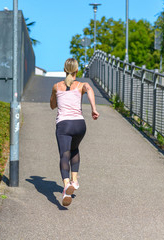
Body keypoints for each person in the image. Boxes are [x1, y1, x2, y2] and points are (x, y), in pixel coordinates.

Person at [50, 58, 99, 206]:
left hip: (64, 125)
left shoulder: (56, 86)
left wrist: (57, 98)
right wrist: (94, 109)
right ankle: (75, 181)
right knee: (74, 149)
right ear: (77, 70)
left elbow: (52, 105)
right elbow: (89, 90)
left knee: (64, 154)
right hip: (80, 125)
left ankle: (66, 186)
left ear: (64, 70)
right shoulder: (82, 85)